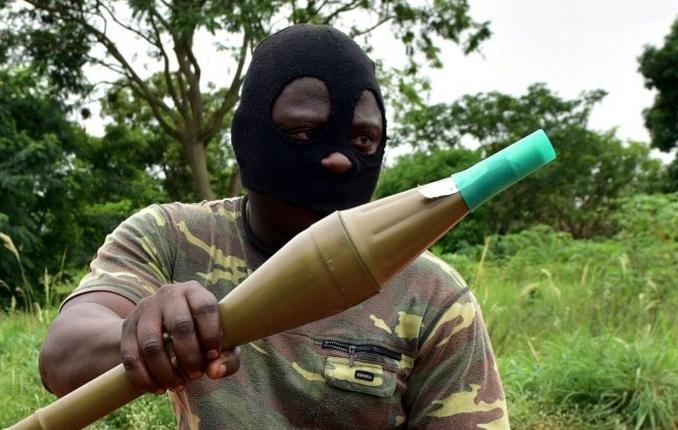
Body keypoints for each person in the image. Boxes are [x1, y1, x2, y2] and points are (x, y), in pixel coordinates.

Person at [39, 24, 509, 429]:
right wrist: (147, 336)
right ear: (249, 137)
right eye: (304, 131)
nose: (339, 158)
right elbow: (64, 357)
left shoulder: (432, 294)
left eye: (363, 139)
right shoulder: (171, 236)